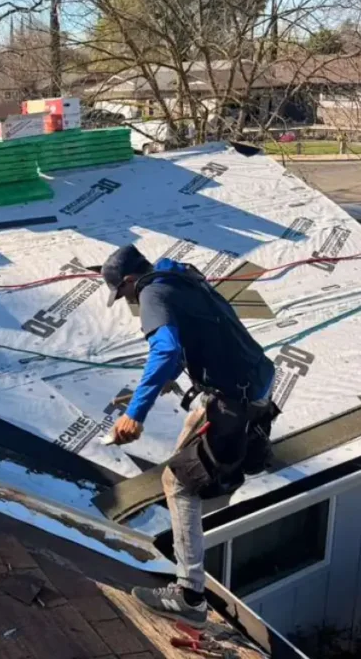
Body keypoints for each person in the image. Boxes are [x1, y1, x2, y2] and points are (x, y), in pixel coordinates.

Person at [102, 244, 278, 628]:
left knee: (177, 482)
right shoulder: (179, 275)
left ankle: (189, 596)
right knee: (190, 439)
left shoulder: (152, 292)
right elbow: (191, 341)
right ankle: (192, 524)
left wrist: (135, 413)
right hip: (254, 385)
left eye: (124, 294)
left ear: (130, 281)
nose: (130, 302)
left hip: (236, 400)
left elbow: (165, 352)